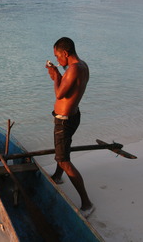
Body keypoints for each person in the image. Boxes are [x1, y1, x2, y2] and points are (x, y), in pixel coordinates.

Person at [45, 37, 95, 218]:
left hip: (64, 121)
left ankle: (87, 204)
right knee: (63, 151)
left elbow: (60, 93)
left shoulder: (73, 70)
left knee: (64, 159)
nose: (58, 60)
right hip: (73, 116)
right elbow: (70, 81)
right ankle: (58, 176)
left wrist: (56, 77)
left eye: (58, 56)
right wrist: (57, 72)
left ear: (65, 53)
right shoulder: (82, 66)